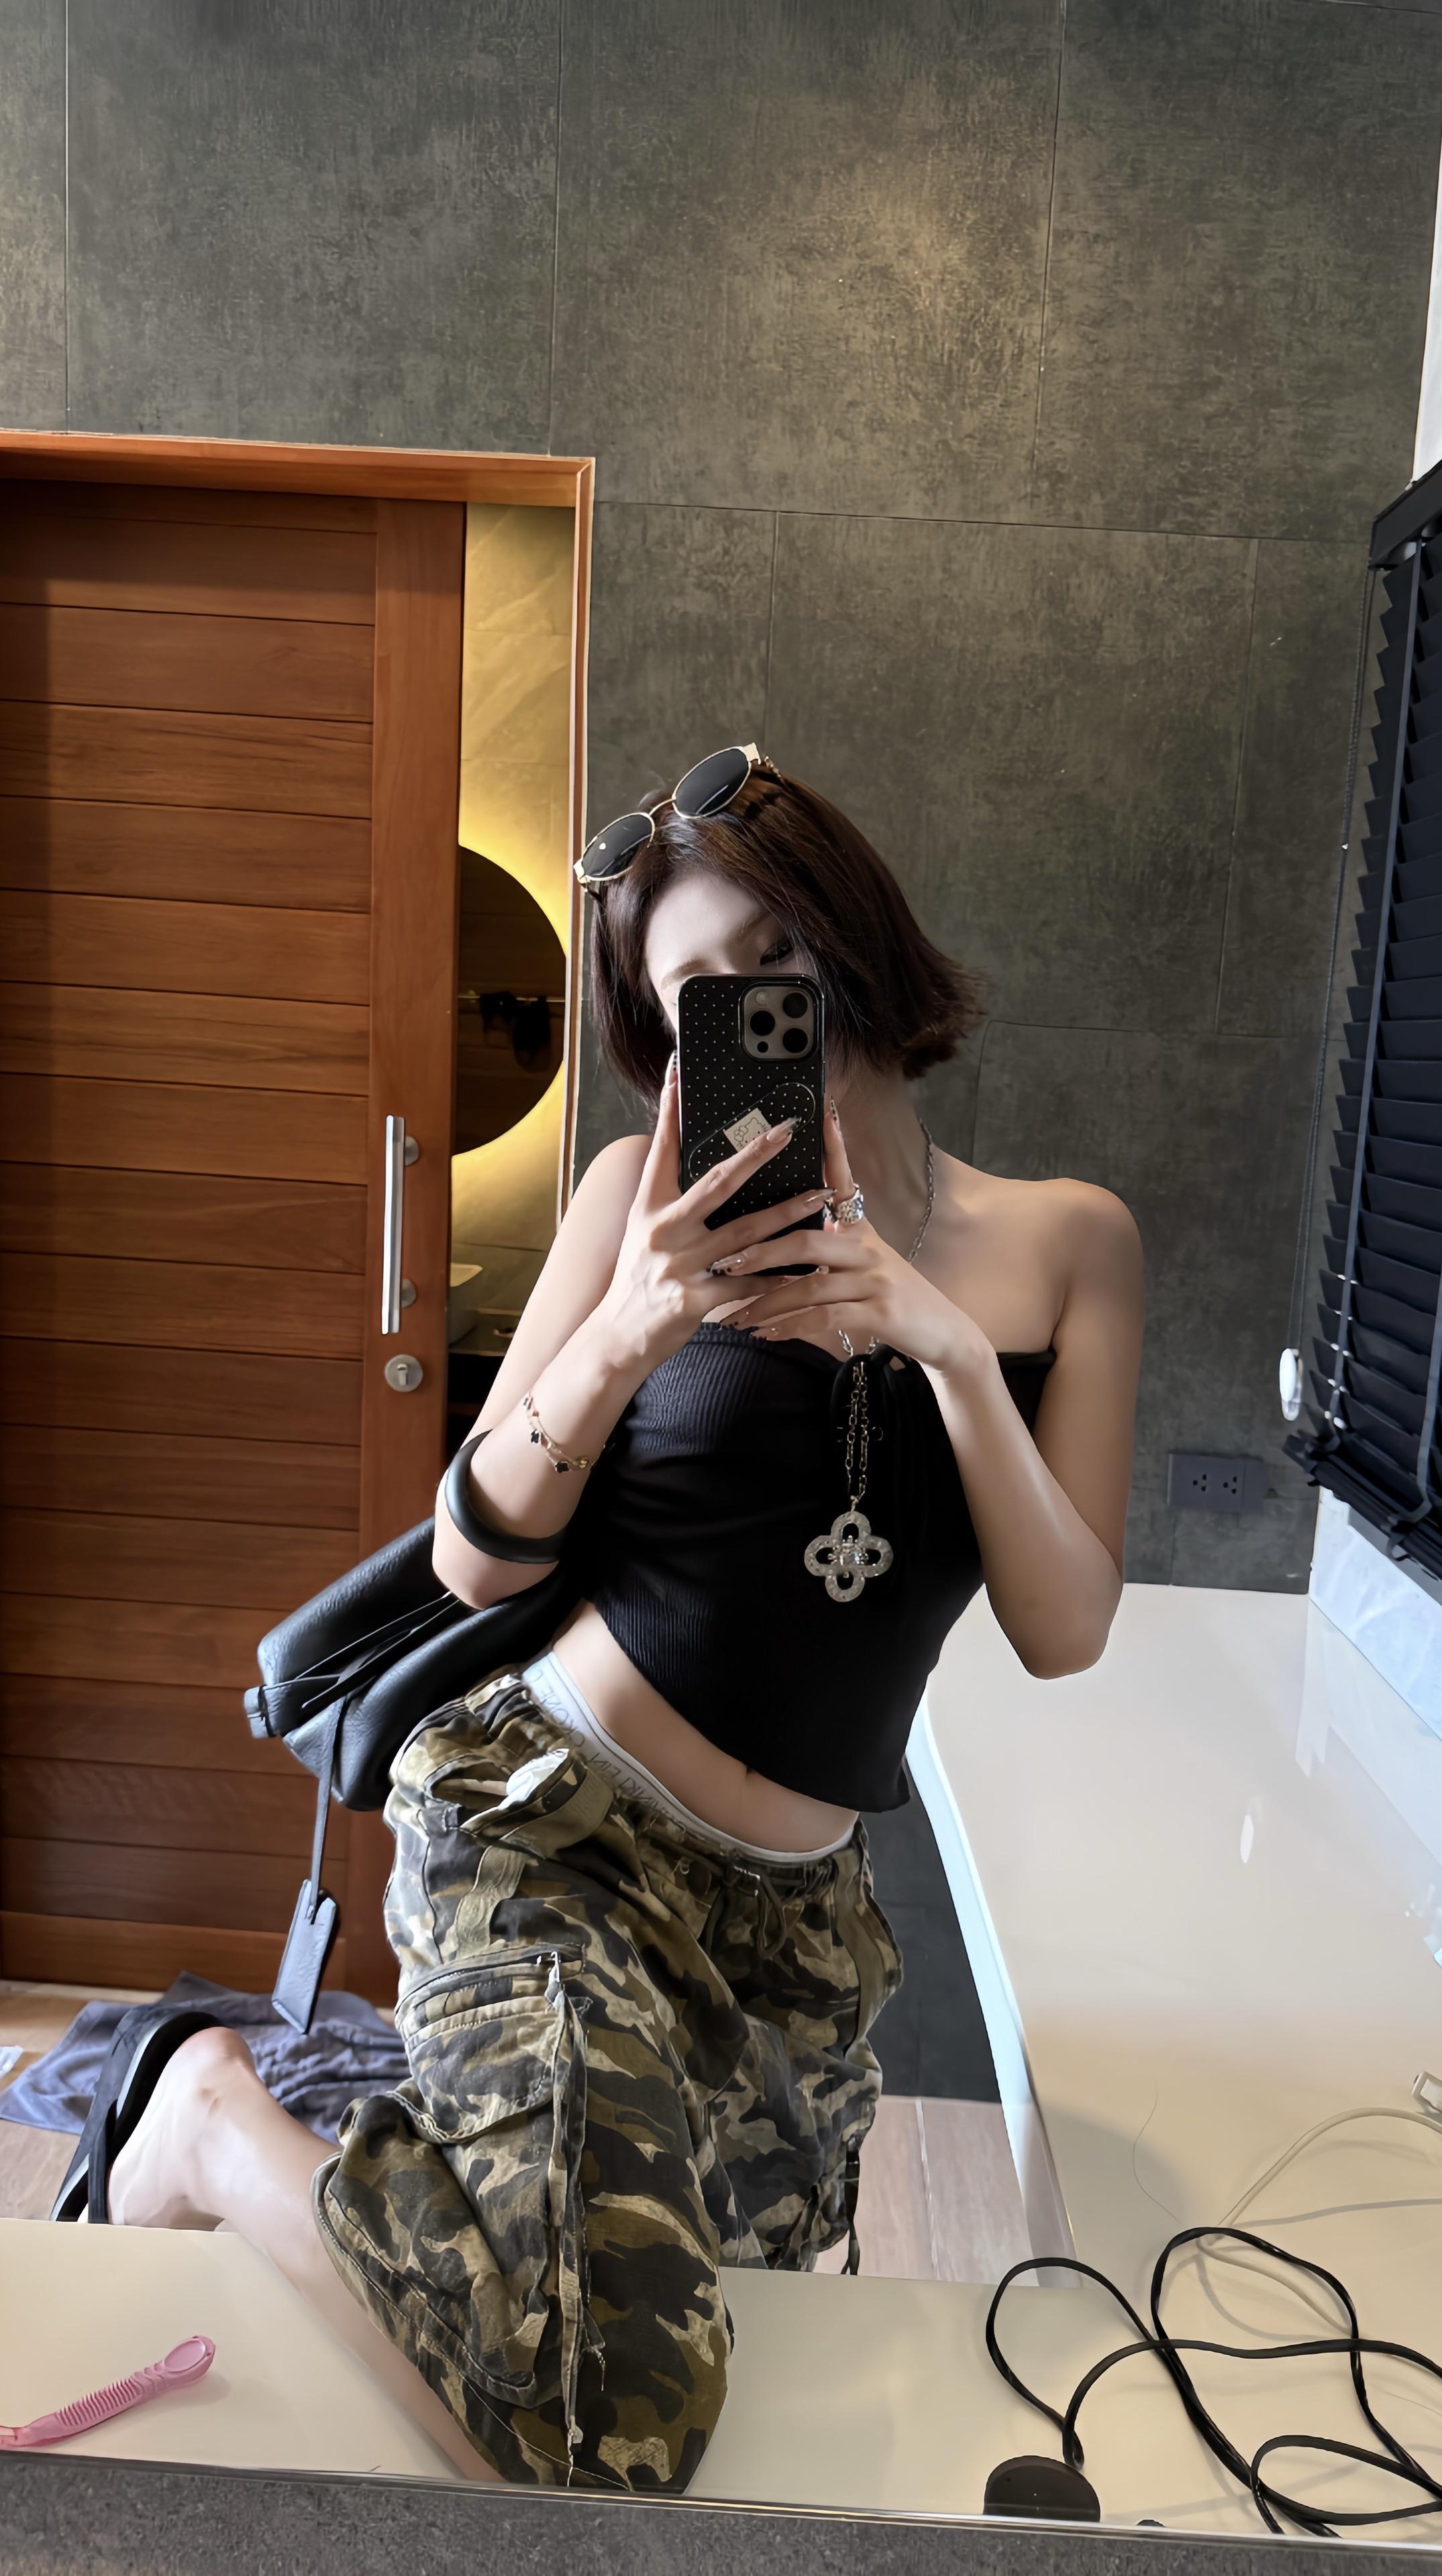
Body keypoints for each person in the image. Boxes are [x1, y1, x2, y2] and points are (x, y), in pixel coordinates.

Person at [54, 753, 1143, 2496]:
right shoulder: (634, 1200)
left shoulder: (1070, 1246)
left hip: (795, 1924)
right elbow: (474, 1557)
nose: (758, 1008)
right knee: (606, 2418)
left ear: (854, 930)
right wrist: (636, 1321)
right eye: (701, 991)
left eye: (777, 952)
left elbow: (1064, 1623)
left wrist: (942, 1344)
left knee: (737, 2340)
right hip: (553, 1831)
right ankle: (203, 2115)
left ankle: (413, 2139)